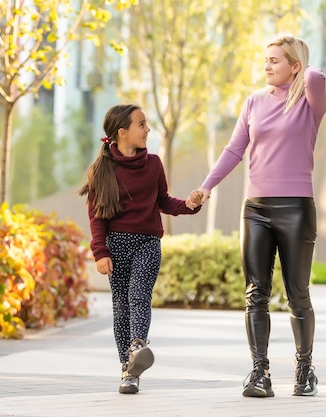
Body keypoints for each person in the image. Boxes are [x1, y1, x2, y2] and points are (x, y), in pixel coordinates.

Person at [187, 33, 326, 398]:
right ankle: (260, 372)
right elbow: (235, 149)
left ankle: (304, 368)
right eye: (265, 59)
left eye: (275, 60)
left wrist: (300, 63)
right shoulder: (253, 102)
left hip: (296, 208)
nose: (267, 65)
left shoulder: (309, 101)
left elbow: (316, 77)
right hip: (256, 209)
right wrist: (207, 186)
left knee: (297, 293)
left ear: (295, 66)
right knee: (255, 294)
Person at [79, 104, 201, 394]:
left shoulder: (154, 164)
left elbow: (164, 201)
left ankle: (138, 345)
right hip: (116, 245)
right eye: (142, 125)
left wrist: (189, 205)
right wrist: (100, 252)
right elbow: (97, 216)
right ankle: (129, 370)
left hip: (147, 243)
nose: (148, 130)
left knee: (139, 295)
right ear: (122, 133)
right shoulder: (101, 170)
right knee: (121, 307)